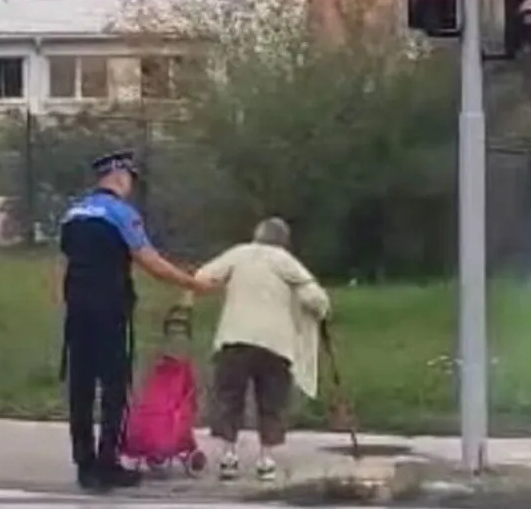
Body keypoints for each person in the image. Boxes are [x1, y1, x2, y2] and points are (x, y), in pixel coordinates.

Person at [54, 149, 217, 492]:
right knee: (114, 386)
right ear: (119, 177)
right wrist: (193, 284)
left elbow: (65, 263)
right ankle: (107, 464)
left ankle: (84, 465)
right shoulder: (120, 213)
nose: (130, 186)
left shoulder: (72, 215)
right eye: (130, 179)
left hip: (77, 309)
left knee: (80, 387)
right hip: (110, 308)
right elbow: (150, 261)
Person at [195, 217, 330, 482]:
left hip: (235, 339)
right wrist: (322, 313)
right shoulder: (287, 262)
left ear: (257, 235)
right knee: (271, 402)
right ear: (284, 241)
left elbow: (203, 276)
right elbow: (316, 299)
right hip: (275, 346)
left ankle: (228, 457)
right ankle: (266, 460)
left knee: (229, 398)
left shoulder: (238, 254)